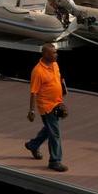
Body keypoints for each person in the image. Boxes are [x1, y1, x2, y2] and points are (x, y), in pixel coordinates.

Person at [24, 43, 68, 172]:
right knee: (55, 134)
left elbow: (58, 79)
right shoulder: (38, 71)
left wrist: (63, 91)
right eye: (53, 53)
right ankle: (55, 161)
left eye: (56, 52)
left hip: (57, 103)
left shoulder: (54, 64)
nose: (56, 54)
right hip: (46, 107)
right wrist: (31, 110)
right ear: (45, 54)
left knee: (49, 129)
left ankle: (33, 145)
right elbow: (34, 92)